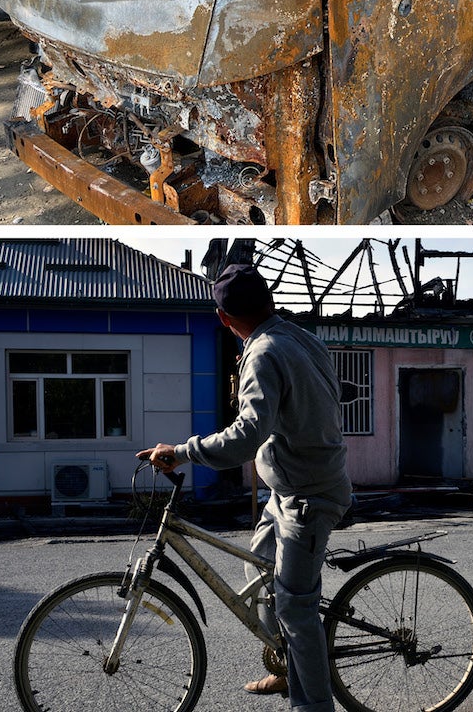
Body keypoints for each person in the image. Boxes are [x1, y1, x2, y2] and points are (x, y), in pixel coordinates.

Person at [139, 264, 352, 712]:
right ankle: (285, 667)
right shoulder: (299, 336)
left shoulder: (263, 353)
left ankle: (312, 705)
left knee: (296, 608)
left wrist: (182, 451)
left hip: (309, 498)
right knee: (258, 575)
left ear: (223, 318)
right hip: (288, 489)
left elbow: (246, 435)